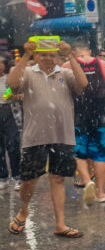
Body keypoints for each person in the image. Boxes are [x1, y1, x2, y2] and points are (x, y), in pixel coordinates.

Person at [7, 38, 88, 237]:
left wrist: (70, 56)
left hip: (62, 135)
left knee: (58, 178)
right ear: (36, 56)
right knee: (29, 180)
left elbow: (83, 84)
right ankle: (24, 210)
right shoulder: (27, 72)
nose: (48, 59)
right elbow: (12, 84)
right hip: (35, 135)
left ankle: (60, 224)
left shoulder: (66, 73)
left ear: (57, 56)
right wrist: (25, 55)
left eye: (52, 55)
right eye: (43, 55)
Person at [68, 41, 105, 204]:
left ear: (74, 54)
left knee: (79, 153)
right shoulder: (104, 65)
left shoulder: (68, 65)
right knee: (100, 156)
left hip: (78, 114)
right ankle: (100, 193)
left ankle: (86, 180)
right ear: (90, 51)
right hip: (100, 115)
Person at [0, 55, 21, 190]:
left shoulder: (10, 78)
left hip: (10, 112)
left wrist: (12, 95)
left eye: (1, 63)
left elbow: (15, 95)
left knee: (13, 145)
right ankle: (2, 177)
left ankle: (17, 176)